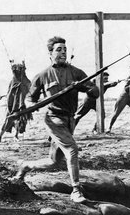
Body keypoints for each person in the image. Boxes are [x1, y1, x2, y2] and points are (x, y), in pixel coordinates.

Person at [12, 36, 95, 204]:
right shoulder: (43, 75)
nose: (63, 52)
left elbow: (94, 91)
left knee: (53, 161)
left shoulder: (77, 72)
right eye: (59, 50)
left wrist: (92, 90)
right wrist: (30, 105)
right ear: (50, 53)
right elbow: (30, 98)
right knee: (72, 150)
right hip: (53, 119)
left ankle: (26, 166)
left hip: (70, 120)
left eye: (65, 49)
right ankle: (76, 190)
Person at [0, 62, 31, 142]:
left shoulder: (24, 80)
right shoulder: (13, 81)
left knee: (21, 121)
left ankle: (16, 135)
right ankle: (0, 137)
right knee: (8, 121)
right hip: (12, 105)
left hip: (21, 104)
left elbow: (29, 87)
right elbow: (10, 94)